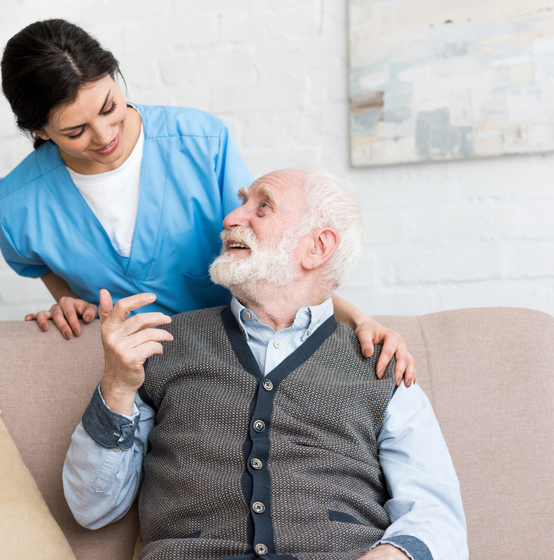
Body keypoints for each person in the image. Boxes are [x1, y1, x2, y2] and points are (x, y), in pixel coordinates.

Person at [63, 166, 467, 560]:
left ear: (316, 247)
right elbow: (91, 509)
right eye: (243, 203)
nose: (231, 218)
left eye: (262, 207)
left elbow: (437, 516)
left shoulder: (384, 367)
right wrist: (116, 388)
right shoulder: (164, 343)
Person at [0, 18, 415, 386]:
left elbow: (270, 256)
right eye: (75, 132)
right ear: (39, 131)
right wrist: (69, 300)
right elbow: (40, 264)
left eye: (109, 106)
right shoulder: (13, 204)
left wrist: (359, 318)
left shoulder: (201, 143)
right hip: (136, 379)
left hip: (236, 364)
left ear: (114, 75)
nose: (104, 136)